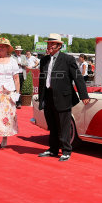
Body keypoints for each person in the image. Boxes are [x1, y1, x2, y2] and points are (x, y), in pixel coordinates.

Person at [38, 33, 90, 162]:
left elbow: (78, 77)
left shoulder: (68, 59)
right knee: (52, 125)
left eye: (52, 44)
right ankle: (53, 149)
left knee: (64, 126)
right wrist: (41, 97)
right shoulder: (44, 60)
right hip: (48, 96)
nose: (49, 46)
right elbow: (42, 80)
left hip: (63, 97)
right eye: (48, 43)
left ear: (59, 46)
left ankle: (66, 151)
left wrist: (84, 95)